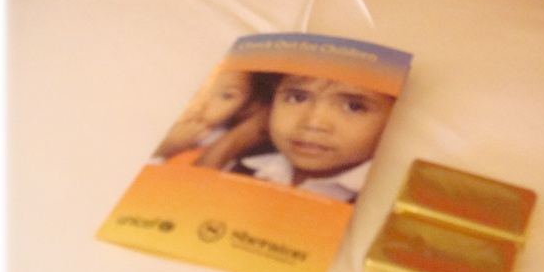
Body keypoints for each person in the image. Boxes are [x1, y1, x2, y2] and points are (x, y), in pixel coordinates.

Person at [233, 75, 394, 202]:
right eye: (297, 98)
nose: (313, 123)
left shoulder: (383, 201)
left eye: (354, 107)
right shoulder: (247, 167)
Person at [152, 70, 279, 168]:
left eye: (226, 96)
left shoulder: (223, 140)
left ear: (247, 104)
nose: (200, 106)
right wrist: (164, 147)